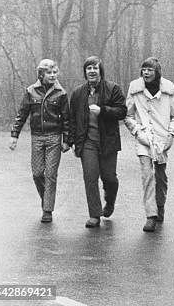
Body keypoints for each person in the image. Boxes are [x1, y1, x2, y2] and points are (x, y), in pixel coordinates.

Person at [9, 59, 71, 223]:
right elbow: (21, 114)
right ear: (41, 74)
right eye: (49, 73)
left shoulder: (61, 93)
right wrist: (14, 135)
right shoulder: (31, 91)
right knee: (37, 174)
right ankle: (46, 199)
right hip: (36, 137)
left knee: (50, 174)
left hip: (54, 137)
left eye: (54, 72)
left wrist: (67, 140)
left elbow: (66, 118)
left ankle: (47, 210)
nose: (52, 75)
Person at [124, 57, 174, 232]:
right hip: (143, 138)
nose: (146, 72)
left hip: (162, 139)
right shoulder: (135, 89)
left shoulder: (168, 89)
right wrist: (137, 131)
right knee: (147, 174)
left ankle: (160, 205)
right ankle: (150, 215)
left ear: (157, 73)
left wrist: (171, 135)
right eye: (144, 69)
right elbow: (128, 115)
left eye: (150, 70)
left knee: (160, 177)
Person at [69, 56, 127, 228]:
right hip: (87, 142)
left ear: (100, 71)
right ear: (85, 72)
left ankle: (110, 200)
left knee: (109, 178)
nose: (92, 71)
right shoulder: (78, 93)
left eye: (95, 68)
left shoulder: (112, 89)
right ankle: (94, 214)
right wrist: (71, 140)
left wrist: (102, 110)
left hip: (108, 141)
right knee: (90, 177)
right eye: (88, 68)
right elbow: (72, 118)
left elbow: (122, 111)